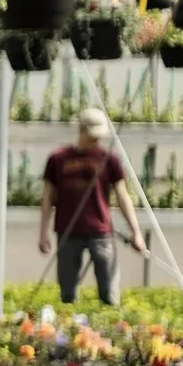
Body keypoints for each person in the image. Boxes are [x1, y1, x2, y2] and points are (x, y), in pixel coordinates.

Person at [37, 108, 147, 305]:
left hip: (101, 231)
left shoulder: (109, 160)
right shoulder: (58, 159)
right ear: (81, 130)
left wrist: (136, 232)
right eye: (92, 135)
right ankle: (72, 329)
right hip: (67, 231)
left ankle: (111, 329)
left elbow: (123, 197)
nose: (97, 140)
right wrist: (43, 233)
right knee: (67, 293)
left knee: (109, 291)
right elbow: (47, 198)